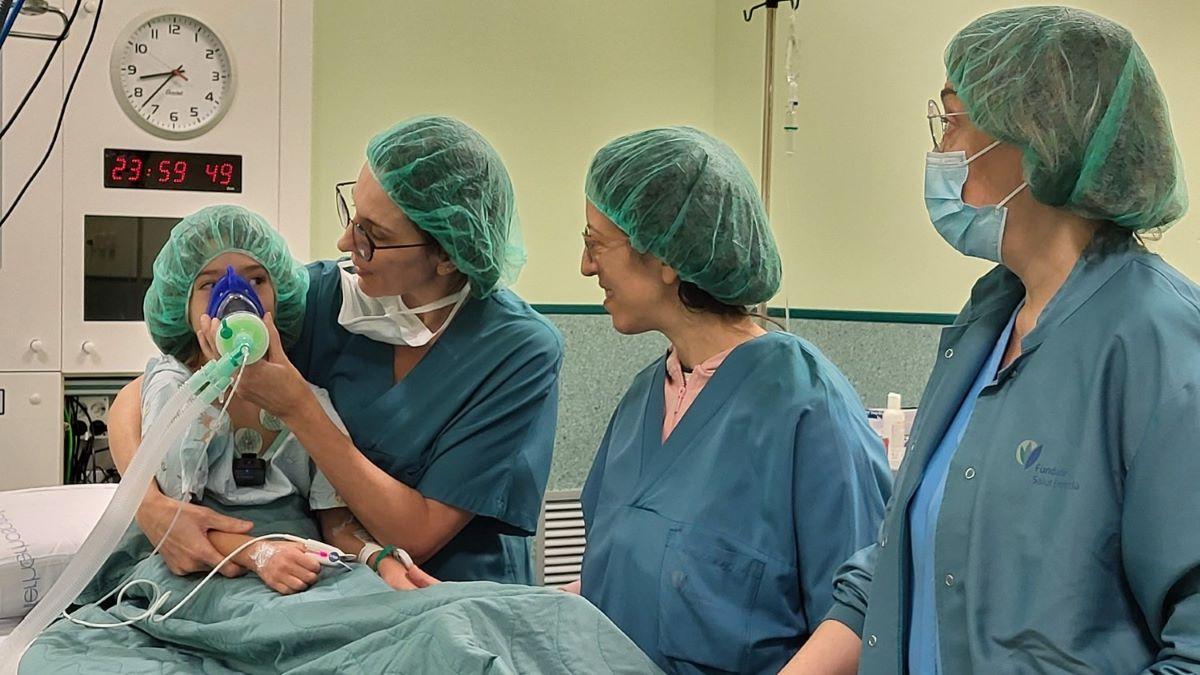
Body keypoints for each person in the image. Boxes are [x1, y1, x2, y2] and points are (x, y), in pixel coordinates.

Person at [784, 7, 1197, 674]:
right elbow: (898, 564)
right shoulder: (987, 323)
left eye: (952, 119)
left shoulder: (1160, 343)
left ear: (1038, 138)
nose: (940, 147)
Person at [109, 116, 564, 585]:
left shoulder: (517, 351)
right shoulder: (318, 297)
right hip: (320, 571)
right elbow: (144, 395)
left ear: (449, 255)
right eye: (352, 216)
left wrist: (299, 408)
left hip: (446, 582)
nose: (346, 243)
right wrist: (151, 507)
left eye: (375, 236)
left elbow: (418, 534)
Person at [569, 126, 893, 674]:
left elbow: (858, 621)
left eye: (596, 243)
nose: (585, 266)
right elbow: (618, 576)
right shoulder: (646, 397)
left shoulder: (806, 407)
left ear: (666, 254)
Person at [134, 204, 415, 593]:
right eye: (210, 285)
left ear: (277, 296)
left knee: (413, 614)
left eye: (257, 280)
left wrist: (378, 558)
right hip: (208, 573)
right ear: (184, 307)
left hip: (302, 566)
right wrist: (259, 554)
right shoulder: (176, 393)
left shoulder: (306, 400)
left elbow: (334, 522)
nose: (236, 296)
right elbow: (175, 526)